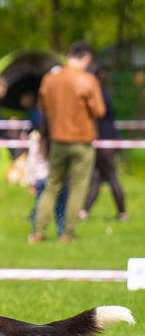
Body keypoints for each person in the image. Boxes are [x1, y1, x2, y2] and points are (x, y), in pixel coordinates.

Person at [31, 42, 105, 243]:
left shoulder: (50, 79)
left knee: (52, 185)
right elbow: (99, 111)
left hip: (58, 140)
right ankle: (67, 233)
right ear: (86, 58)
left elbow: (44, 108)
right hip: (82, 141)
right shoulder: (88, 80)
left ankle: (38, 231)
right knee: (78, 187)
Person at [80, 69, 127, 222]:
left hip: (105, 142)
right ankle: (84, 211)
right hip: (106, 141)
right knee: (96, 176)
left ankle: (122, 212)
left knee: (110, 176)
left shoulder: (97, 94)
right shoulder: (104, 93)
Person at [25, 121, 67, 236]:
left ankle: (37, 232)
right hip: (57, 177)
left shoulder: (36, 142)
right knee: (60, 208)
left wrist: (32, 182)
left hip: (41, 178)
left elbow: (31, 163)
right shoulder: (58, 142)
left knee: (40, 207)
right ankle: (62, 232)